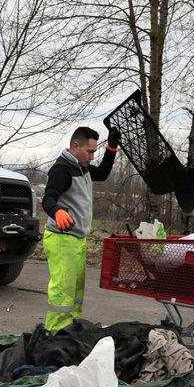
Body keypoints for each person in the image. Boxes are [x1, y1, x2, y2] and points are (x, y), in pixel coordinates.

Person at [41, 125, 120, 333]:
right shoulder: (62, 169)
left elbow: (102, 173)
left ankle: (70, 329)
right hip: (61, 239)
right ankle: (54, 334)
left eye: (95, 151)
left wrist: (112, 148)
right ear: (76, 146)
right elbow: (48, 199)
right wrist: (57, 211)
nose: (92, 157)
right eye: (90, 151)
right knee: (62, 292)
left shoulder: (81, 168)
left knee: (75, 292)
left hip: (77, 239)